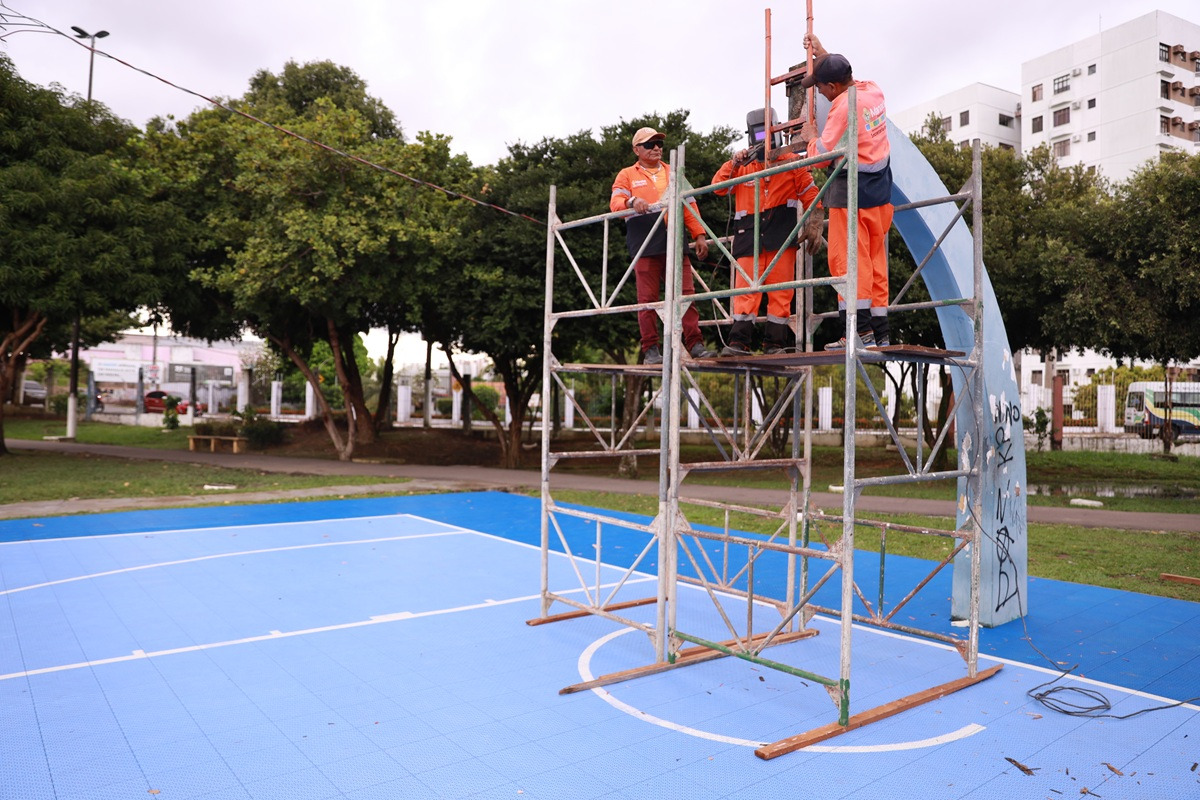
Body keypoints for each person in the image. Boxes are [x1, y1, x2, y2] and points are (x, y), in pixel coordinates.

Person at [798, 34, 894, 349]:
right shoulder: (872, 90)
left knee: (847, 263)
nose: (820, 93)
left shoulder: (841, 108)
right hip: (880, 195)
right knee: (875, 262)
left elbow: (819, 156)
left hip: (852, 195)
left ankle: (857, 332)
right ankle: (879, 332)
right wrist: (823, 54)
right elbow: (845, 75)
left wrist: (811, 136)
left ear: (834, 87)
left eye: (821, 87)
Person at [712, 108, 824, 356]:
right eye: (758, 133)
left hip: (780, 238)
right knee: (745, 292)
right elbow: (717, 188)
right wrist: (734, 162)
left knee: (781, 293)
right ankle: (738, 343)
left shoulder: (793, 162)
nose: (763, 139)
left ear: (777, 131)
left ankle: (774, 345)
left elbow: (810, 192)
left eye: (767, 132)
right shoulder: (742, 167)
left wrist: (815, 218)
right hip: (747, 237)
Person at [610, 127, 716, 365]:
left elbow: (690, 205)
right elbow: (615, 203)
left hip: (675, 240)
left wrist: (699, 234)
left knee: (686, 294)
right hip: (645, 241)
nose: (656, 148)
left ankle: (695, 344)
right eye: (650, 144)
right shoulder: (626, 174)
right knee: (647, 299)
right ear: (637, 150)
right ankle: (650, 350)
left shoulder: (674, 172)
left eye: (659, 143)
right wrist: (632, 201)